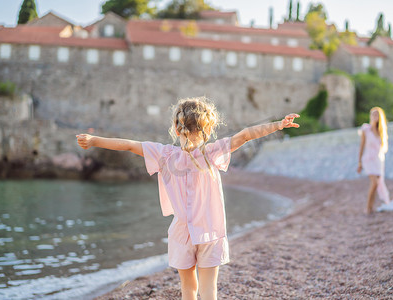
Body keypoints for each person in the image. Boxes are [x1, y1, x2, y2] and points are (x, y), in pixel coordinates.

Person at [76, 97, 300, 300]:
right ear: (208, 127)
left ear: (176, 127)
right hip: (210, 231)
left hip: (182, 233)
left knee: (188, 289)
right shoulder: (212, 153)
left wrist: (94, 140)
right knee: (209, 290)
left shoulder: (164, 155)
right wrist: (278, 125)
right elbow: (246, 135)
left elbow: (128, 145)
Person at [357, 107, 390, 214]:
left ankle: (371, 207)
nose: (374, 117)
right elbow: (362, 146)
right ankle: (367, 207)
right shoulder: (365, 129)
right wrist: (359, 162)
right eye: (373, 115)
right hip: (368, 159)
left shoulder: (381, 132)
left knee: (378, 184)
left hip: (378, 160)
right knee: (374, 183)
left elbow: (382, 149)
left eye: (376, 115)